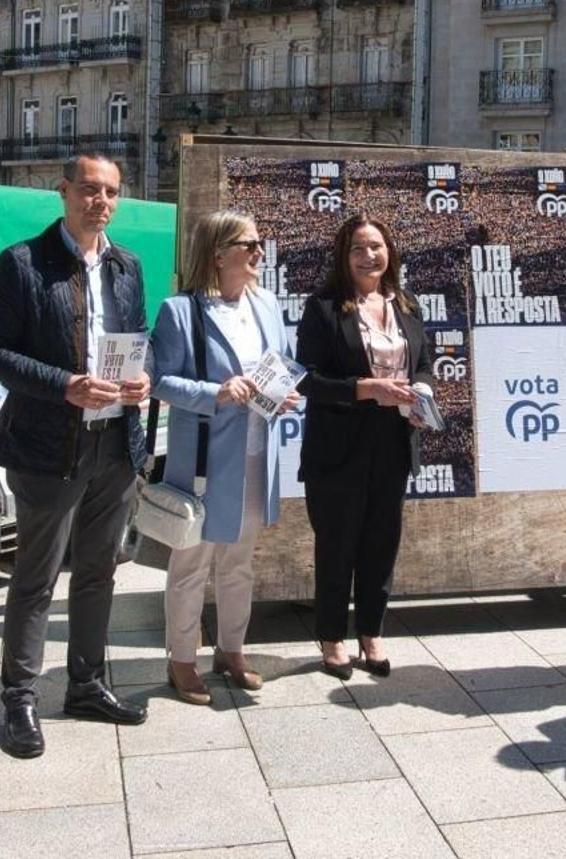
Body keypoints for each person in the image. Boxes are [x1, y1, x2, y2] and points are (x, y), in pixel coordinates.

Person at [0, 154, 152, 759]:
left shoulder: (127, 265)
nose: (98, 201)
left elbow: (137, 338)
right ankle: (19, 697)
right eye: (88, 190)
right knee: (36, 578)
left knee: (100, 570)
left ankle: (86, 683)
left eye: (109, 193)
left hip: (114, 443)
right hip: (48, 446)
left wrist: (141, 379)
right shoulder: (24, 263)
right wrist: (64, 385)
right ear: (64, 192)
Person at [150, 211, 297, 704]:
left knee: (239, 563)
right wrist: (216, 391)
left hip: (258, 454)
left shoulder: (268, 304)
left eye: (260, 242)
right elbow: (160, 381)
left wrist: (287, 394)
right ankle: (181, 659)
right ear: (218, 253)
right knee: (191, 564)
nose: (259, 252)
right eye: (249, 244)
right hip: (205, 461)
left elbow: (286, 365)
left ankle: (232, 648)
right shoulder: (180, 311)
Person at [296, 213, 434, 680]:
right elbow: (306, 379)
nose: (368, 255)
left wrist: (423, 394)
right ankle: (332, 637)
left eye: (376, 246)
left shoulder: (407, 304)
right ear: (343, 255)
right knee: (337, 545)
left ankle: (371, 633)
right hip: (337, 446)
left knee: (381, 544)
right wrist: (364, 388)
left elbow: (426, 365)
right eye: (358, 247)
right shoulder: (323, 307)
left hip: (394, 441)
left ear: (389, 251)